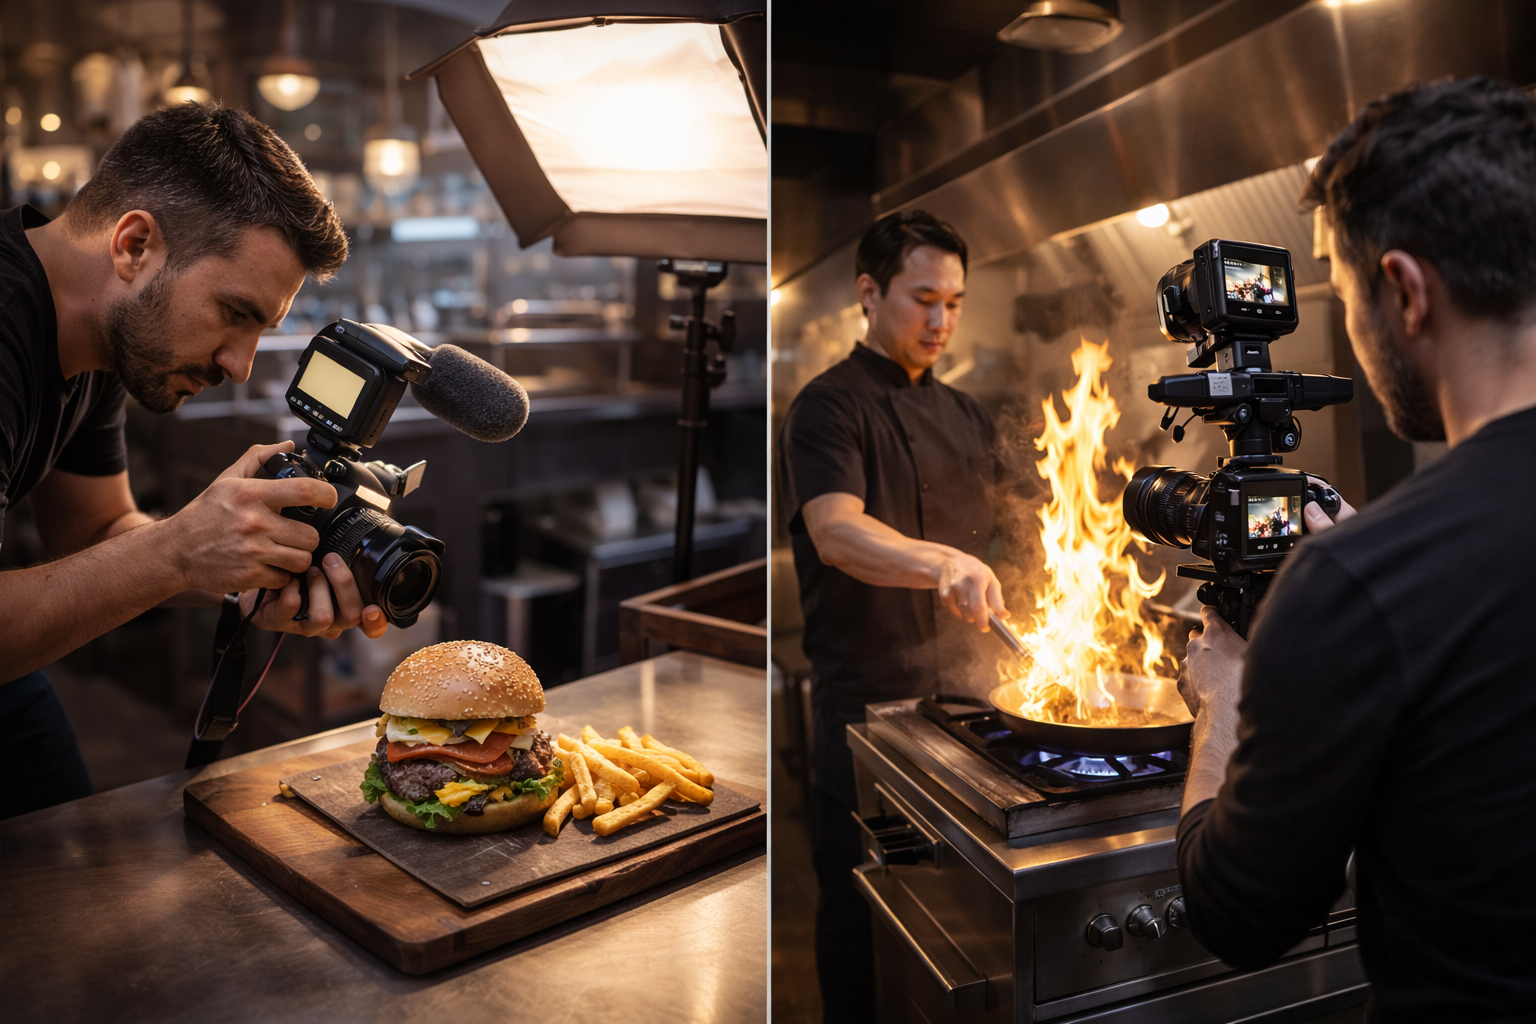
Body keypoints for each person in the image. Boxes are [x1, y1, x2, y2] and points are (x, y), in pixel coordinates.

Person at [1176, 77, 1536, 1020]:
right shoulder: (1368, 574)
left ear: (1405, 292)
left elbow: (1238, 912)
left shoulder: (1357, 580)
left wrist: (1224, 703)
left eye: (1340, 293)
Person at [1, 103, 388, 818]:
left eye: (261, 329)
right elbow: (153, 555)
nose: (238, 366)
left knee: (71, 862)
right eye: (234, 312)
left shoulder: (102, 338)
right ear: (135, 245)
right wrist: (181, 551)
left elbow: (93, 533)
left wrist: (248, 574)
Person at [778, 210, 1007, 1022]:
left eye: (954, 301)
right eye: (923, 299)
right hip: (868, 712)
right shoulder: (825, 409)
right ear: (869, 294)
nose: (940, 321)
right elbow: (837, 533)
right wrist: (944, 560)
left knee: (961, 918)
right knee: (862, 905)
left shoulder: (971, 416)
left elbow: (1014, 537)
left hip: (971, 709)